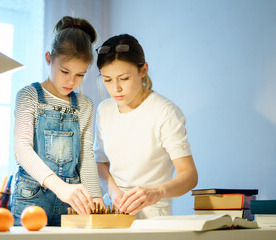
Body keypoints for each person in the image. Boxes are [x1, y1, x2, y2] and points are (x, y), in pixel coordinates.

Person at [11, 16, 103, 226]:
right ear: (48, 58)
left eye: (80, 75)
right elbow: (22, 149)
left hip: (72, 202)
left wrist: (95, 196)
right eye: (65, 71)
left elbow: (86, 155)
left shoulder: (85, 105)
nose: (72, 81)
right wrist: (60, 187)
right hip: (31, 199)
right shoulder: (29, 95)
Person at [94, 34, 198, 219]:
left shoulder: (164, 112)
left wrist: (156, 192)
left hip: (154, 217)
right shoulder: (105, 110)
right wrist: (112, 190)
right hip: (113, 214)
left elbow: (189, 175)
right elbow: (101, 162)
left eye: (124, 78)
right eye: (107, 79)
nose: (115, 88)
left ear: (143, 70)